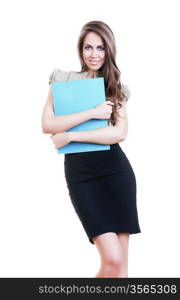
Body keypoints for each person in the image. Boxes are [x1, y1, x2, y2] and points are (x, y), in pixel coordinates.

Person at [41, 20, 141, 278]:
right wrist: (93, 113)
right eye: (88, 47)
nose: (94, 54)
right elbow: (48, 124)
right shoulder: (63, 80)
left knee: (121, 268)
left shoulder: (114, 87)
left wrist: (71, 135)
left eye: (100, 48)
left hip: (116, 172)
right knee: (112, 259)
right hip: (81, 175)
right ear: (80, 50)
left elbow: (119, 133)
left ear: (109, 51)